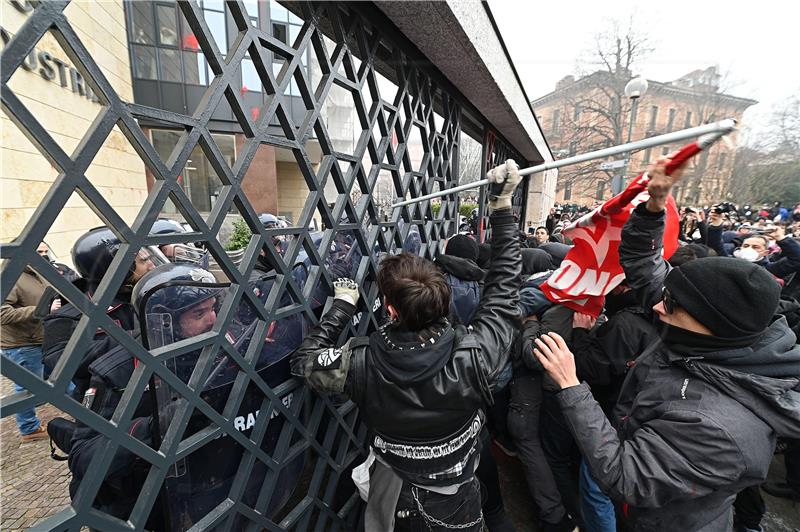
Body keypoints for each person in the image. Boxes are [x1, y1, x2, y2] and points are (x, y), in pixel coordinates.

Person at [531, 155, 800, 531]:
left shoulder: (721, 425)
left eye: (670, 303)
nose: (657, 305)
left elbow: (626, 477)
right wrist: (654, 206)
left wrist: (572, 386)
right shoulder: (709, 325)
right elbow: (644, 264)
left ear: (711, 324)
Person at [290, 160, 523, 530]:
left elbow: (304, 363)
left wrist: (339, 310)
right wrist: (501, 209)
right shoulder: (475, 355)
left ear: (389, 307)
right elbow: (504, 292)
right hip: (458, 499)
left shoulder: (360, 361)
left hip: (397, 501)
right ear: (442, 303)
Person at [0, 242, 55, 441]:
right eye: (38, 251)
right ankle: (29, 429)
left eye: (45, 251)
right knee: (26, 388)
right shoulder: (9, 276)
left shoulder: (34, 271)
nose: (43, 255)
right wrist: (42, 308)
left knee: (60, 377)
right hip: (22, 343)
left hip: (41, 337)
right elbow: (2, 314)